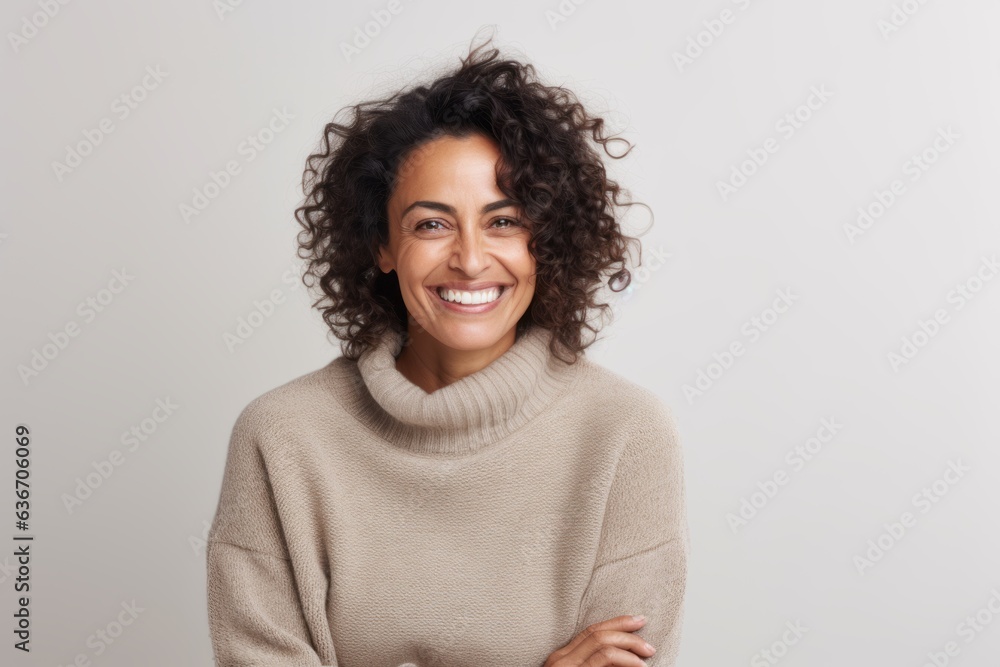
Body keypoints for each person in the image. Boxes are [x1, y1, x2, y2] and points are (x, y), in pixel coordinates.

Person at [206, 32, 689, 667]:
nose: (468, 259)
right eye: (431, 224)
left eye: (504, 221)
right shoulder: (281, 438)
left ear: (547, 242)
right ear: (381, 246)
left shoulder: (625, 435)